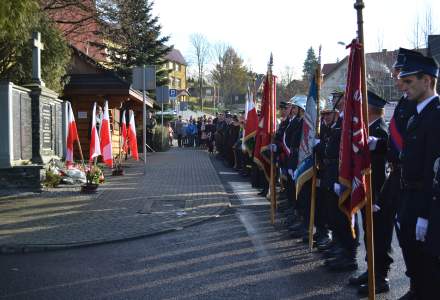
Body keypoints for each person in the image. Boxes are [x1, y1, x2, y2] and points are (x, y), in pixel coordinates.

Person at [396, 53, 440, 299]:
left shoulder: (436, 116)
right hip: (409, 196)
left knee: (428, 266)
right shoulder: (417, 115)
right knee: (413, 256)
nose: (404, 86)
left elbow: (432, 171)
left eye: (410, 81)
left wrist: (424, 214)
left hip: (425, 202)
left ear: (427, 81)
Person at [354, 90, 390, 296]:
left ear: (370, 110)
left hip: (377, 194)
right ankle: (371, 271)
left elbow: (380, 169)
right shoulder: (370, 129)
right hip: (369, 191)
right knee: (370, 234)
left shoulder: (381, 131)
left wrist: (376, 197)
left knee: (379, 237)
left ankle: (380, 277)